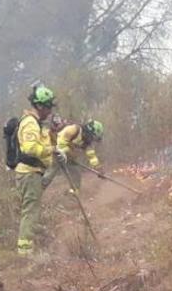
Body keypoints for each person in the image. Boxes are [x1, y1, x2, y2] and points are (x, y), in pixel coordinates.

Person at [13, 84, 58, 255]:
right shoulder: (30, 122)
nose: (49, 111)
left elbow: (42, 143)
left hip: (33, 173)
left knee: (31, 211)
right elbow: (30, 148)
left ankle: (31, 246)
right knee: (30, 213)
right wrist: (51, 151)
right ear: (39, 105)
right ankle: (25, 254)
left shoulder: (37, 123)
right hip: (29, 173)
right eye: (47, 107)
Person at [55, 119, 104, 193]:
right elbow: (60, 142)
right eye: (93, 137)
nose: (92, 139)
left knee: (76, 175)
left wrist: (98, 169)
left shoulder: (86, 141)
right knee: (48, 176)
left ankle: (73, 195)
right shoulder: (73, 130)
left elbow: (91, 156)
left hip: (67, 158)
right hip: (53, 153)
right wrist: (69, 153)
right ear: (89, 131)